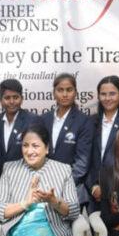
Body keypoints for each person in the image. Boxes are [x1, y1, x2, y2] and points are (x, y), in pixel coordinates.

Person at [40, 72, 92, 207]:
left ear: (75, 93)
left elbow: (82, 162)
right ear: (54, 93)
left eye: (69, 90)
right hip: (44, 189)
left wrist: (62, 184)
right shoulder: (44, 119)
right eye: (60, 90)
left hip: (71, 190)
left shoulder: (84, 121)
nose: (64, 94)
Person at [87, 75, 119, 211]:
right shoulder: (90, 122)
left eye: (112, 94)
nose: (107, 98)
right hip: (95, 195)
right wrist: (93, 186)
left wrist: (111, 189)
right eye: (103, 94)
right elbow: (85, 158)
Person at [0, 79, 36, 163]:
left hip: (25, 170)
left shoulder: (32, 120)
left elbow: (36, 152)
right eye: (7, 98)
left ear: (22, 99)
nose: (12, 102)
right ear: (0, 100)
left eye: (15, 97)